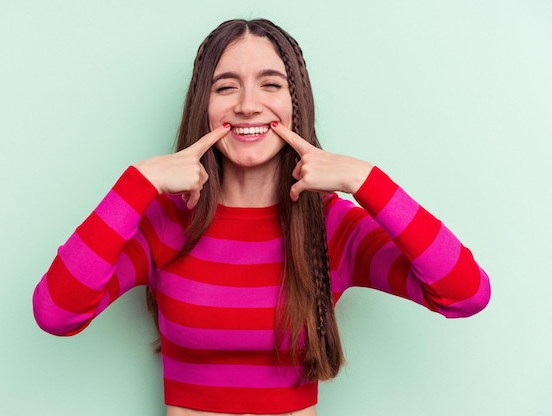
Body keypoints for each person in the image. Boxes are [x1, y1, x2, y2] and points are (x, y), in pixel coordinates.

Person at [33, 18, 491, 416]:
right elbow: (56, 312)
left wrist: (366, 179)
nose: (248, 104)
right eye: (226, 86)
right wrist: (135, 185)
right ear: (203, 105)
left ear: (296, 104)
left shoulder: (333, 227)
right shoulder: (164, 223)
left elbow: (465, 293)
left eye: (271, 84)